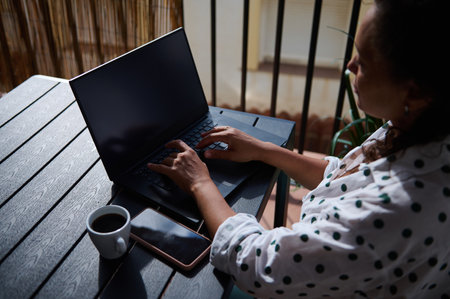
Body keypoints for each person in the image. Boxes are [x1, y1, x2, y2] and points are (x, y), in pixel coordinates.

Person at [148, 0, 450, 297]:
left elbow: (256, 264)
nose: (350, 65)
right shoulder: (418, 128)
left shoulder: (396, 209)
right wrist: (264, 149)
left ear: (414, 90)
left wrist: (201, 183)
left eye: (365, 61)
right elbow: (343, 179)